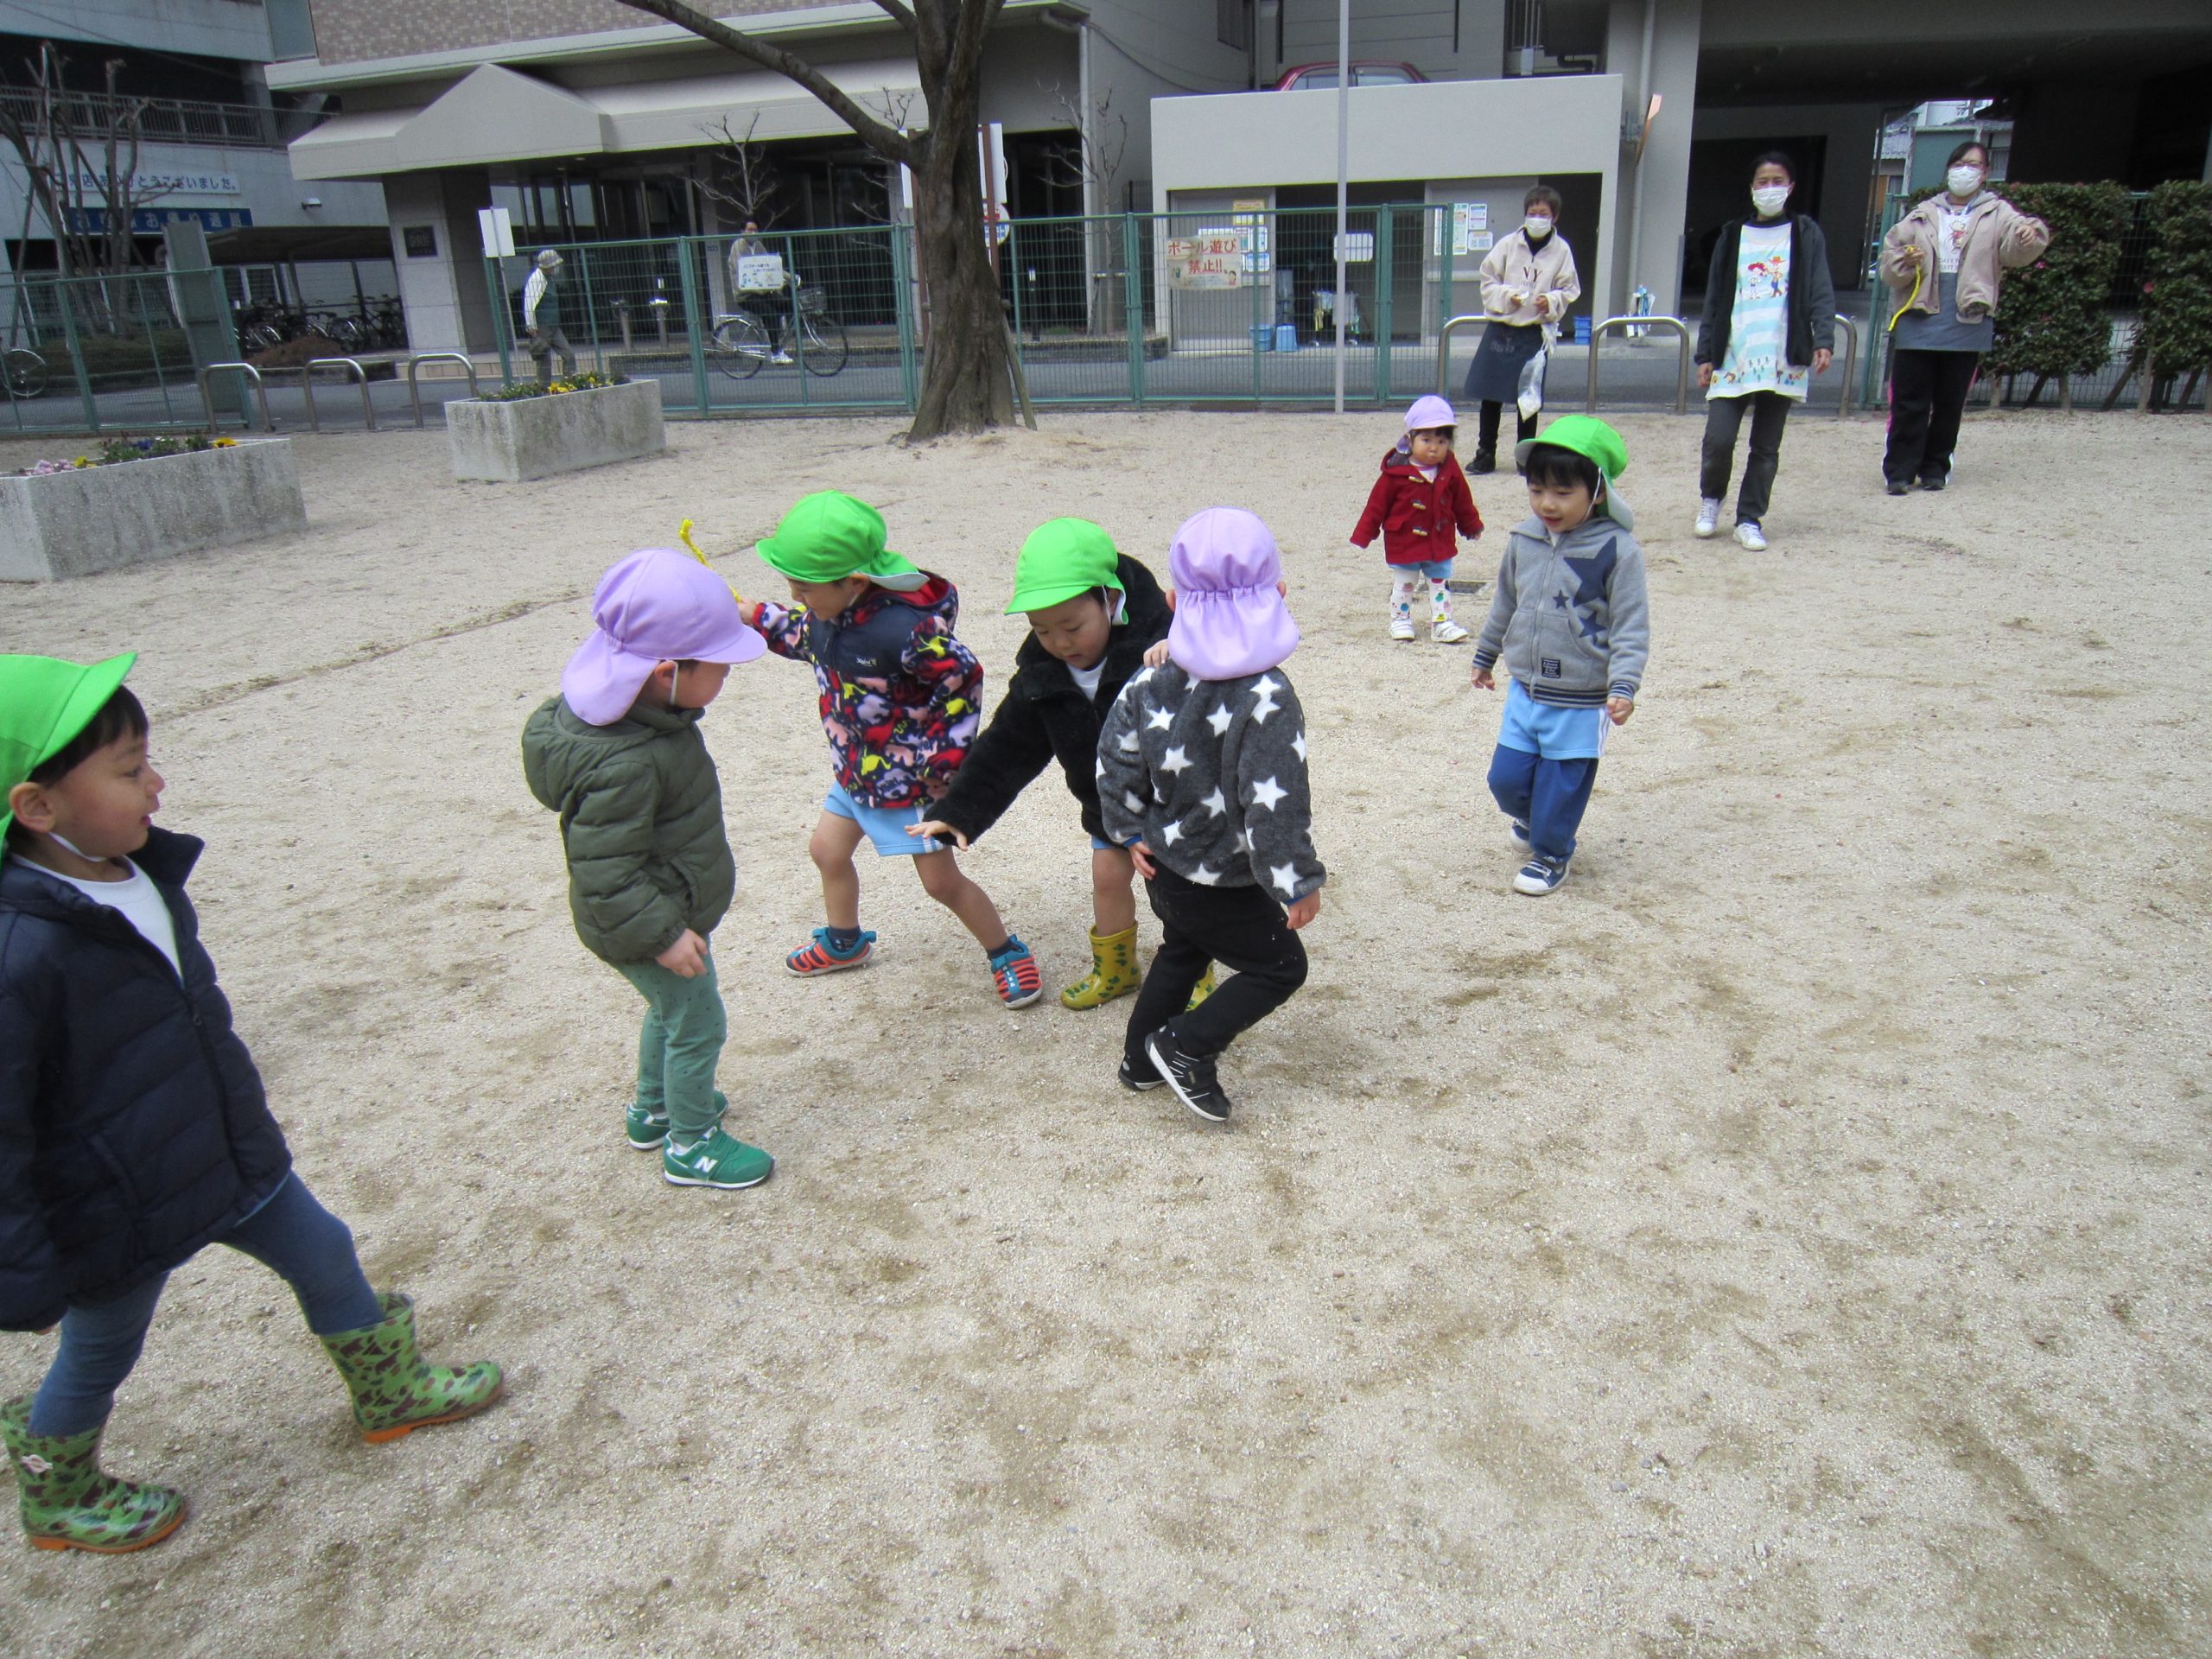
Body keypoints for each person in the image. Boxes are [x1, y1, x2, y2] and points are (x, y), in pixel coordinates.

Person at [0, 653, 501, 1554]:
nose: (157, 784)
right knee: (103, 1345)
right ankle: (56, 1487)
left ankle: (389, 1391)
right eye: (129, 770)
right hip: (117, 1197)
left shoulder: (137, 873)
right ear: (36, 807)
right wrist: (20, 1269)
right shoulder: (19, 949)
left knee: (325, 1248)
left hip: (224, 1148)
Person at [522, 549, 775, 1191]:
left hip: (663, 907)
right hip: (646, 921)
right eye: (719, 667)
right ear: (666, 673)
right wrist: (663, 935)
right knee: (699, 1023)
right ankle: (692, 1145)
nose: (726, 677)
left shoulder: (636, 715)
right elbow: (604, 870)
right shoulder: (627, 762)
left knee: (668, 1011)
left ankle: (654, 1109)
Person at [736, 491, 1042, 1007]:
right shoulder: (827, 614)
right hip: (855, 771)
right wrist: (756, 615)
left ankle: (1005, 951)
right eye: (792, 587)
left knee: (940, 883)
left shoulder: (903, 631)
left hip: (910, 782)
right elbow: (801, 633)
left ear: (855, 582)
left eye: (804, 588)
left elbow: (962, 676)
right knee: (827, 851)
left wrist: (943, 759)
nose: (797, 597)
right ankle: (844, 941)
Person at [910, 518, 1213, 1012]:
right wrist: (959, 811)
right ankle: (1116, 969)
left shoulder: (1167, 644)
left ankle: (1195, 969)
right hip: (1109, 804)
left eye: (1072, 627)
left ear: (1110, 600)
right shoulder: (1043, 672)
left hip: (1176, 802)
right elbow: (1009, 745)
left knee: (1182, 890)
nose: (1060, 642)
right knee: (1107, 878)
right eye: (1042, 629)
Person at [1098, 507, 1325, 1124]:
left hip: (1167, 863)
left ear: (1174, 601)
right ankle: (1185, 1046)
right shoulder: (1268, 695)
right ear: (1278, 593)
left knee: (1184, 951)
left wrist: (1126, 827)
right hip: (1223, 875)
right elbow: (1275, 799)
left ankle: (1140, 1062)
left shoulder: (1151, 676)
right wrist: (1296, 879)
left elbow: (1115, 754)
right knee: (1280, 967)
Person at [1469, 416, 1649, 897]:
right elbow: (1505, 601)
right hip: (1526, 690)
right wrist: (1486, 653)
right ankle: (1535, 821)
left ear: (1598, 491)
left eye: (1563, 493)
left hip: (1581, 698)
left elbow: (1631, 625)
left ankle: (1552, 854)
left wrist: (1623, 685)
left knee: (1561, 788)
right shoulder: (1524, 539)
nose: (1547, 503)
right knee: (1505, 780)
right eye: (1537, 490)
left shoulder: (1619, 550)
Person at [1879, 141, 2051, 494]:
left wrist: (2028, 235)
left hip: (1967, 318)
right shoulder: (1923, 212)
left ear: (1985, 173)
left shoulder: (1998, 212)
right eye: (1960, 163)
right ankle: (1899, 470)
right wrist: (1904, 261)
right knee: (1909, 400)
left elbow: (2018, 250)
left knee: (1950, 401)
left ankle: (1935, 467)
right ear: (1949, 168)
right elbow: (1889, 263)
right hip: (1918, 314)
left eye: (1974, 165)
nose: (1965, 170)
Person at [1692, 151, 1838, 551]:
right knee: (1719, 439)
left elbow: (1820, 288)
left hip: (1782, 352)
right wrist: (1705, 353)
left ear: (1790, 187)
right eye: (1763, 181)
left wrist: (1823, 339)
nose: (1770, 188)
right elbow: (1714, 298)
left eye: (1778, 181)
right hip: (1734, 351)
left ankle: (1749, 518)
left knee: (1766, 446)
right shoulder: (1732, 235)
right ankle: (1711, 498)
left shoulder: (1805, 233)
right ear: (1752, 188)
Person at [1463, 186, 1581, 474]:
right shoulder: (1507, 244)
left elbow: (1569, 288)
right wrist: (1507, 296)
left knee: (1528, 397)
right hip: (1502, 328)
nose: (1537, 218)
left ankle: (1525, 455)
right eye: (1532, 212)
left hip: (1533, 332)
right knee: (1490, 394)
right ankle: (1485, 453)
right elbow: (1488, 278)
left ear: (1554, 217)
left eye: (1543, 214)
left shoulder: (1561, 250)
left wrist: (1550, 300)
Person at [1350, 393, 1484, 643]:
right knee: (1405, 582)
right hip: (1404, 538)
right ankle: (1400, 619)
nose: (1434, 447)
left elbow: (1462, 500)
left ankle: (1442, 623)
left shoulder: (1449, 469)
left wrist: (1471, 526)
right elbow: (1376, 506)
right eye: (1426, 440)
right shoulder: (1395, 472)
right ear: (1410, 439)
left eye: (1442, 441)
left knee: (1439, 582)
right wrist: (1364, 534)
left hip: (1439, 538)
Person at [728, 219, 792, 365]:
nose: (753, 233)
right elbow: (742, 269)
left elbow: (771, 267)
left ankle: (775, 332)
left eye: (755, 230)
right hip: (745, 295)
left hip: (762, 291)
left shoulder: (759, 246)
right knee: (771, 314)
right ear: (742, 231)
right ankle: (776, 352)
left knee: (786, 304)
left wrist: (790, 277)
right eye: (750, 230)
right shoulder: (738, 246)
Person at [521, 247, 578, 388]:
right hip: (542, 326)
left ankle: (569, 384)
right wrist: (531, 325)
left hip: (553, 325)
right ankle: (543, 388)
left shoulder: (549, 278)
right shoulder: (536, 279)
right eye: (554, 265)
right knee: (544, 360)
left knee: (568, 354)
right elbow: (529, 303)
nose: (556, 268)